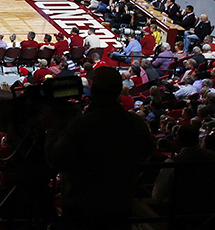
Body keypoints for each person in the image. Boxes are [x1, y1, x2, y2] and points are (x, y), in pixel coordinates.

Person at [45, 66, 153, 229]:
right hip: (120, 205)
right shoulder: (136, 123)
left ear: (93, 90)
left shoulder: (82, 124)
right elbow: (148, 150)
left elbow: (56, 160)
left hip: (82, 206)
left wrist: (52, 129)